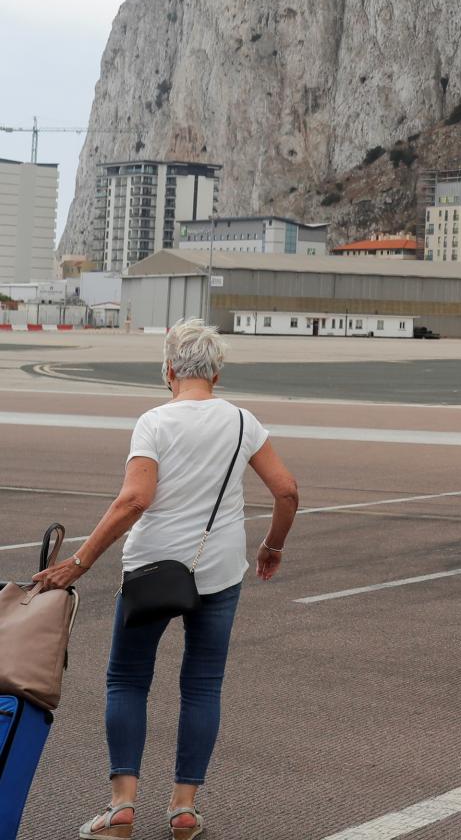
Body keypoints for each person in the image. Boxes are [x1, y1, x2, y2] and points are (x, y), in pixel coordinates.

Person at [31, 319, 299, 840]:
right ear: (216, 373)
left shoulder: (154, 421)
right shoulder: (244, 422)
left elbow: (134, 499)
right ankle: (183, 810)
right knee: (202, 684)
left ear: (169, 369)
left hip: (152, 571)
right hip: (218, 571)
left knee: (127, 680)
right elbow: (287, 491)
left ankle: (122, 806)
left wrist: (81, 561)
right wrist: (273, 546)